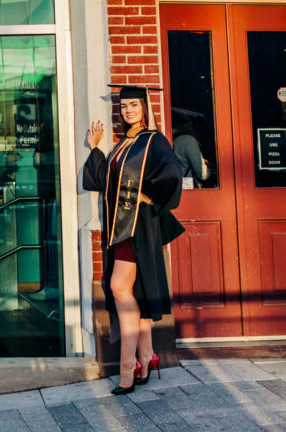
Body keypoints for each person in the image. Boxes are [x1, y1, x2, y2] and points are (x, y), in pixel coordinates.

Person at [83, 85, 184, 394]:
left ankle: (128, 367)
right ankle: (146, 355)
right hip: (120, 228)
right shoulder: (123, 144)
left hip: (138, 228)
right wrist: (96, 149)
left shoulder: (153, 141)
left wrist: (150, 197)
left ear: (144, 108)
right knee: (135, 295)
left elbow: (173, 173)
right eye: (124, 106)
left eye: (134, 106)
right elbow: (104, 183)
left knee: (118, 288)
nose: (128, 111)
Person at [172, 114, 211, 189]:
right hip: (188, 189)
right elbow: (203, 174)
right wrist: (208, 167)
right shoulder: (188, 140)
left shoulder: (169, 138)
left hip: (175, 188)